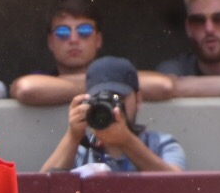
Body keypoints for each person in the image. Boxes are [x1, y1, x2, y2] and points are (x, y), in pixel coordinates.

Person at [10, 0, 172, 106]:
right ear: (50, 42)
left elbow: (162, 85)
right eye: (62, 32)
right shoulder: (42, 78)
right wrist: (109, 85)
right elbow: (26, 88)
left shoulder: (118, 71)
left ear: (98, 40)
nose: (73, 39)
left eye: (84, 31)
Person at [40, 56, 185, 174]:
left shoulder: (161, 143)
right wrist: (73, 136)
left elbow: (178, 186)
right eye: (101, 99)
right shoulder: (80, 149)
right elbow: (41, 191)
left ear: (138, 100)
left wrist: (127, 141)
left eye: (119, 99)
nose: (113, 108)